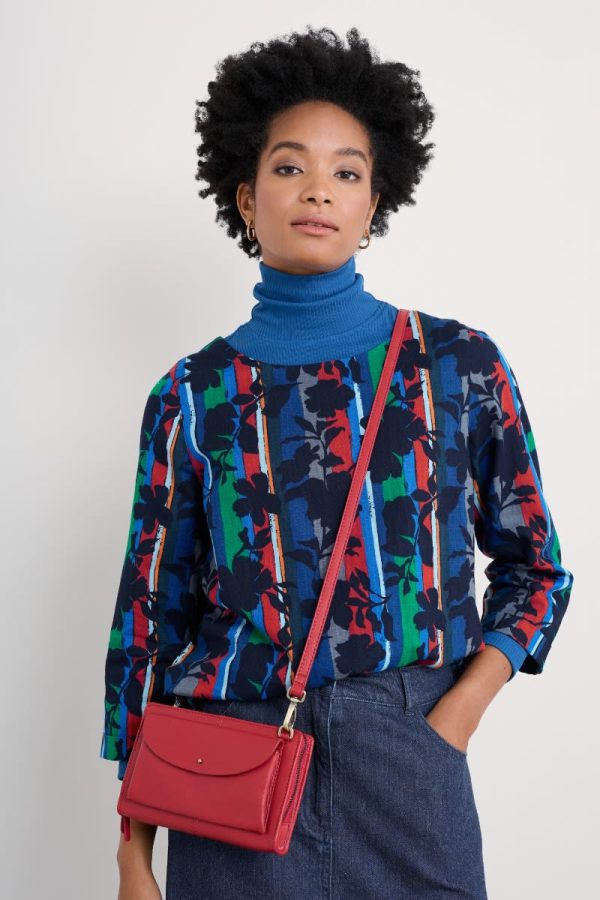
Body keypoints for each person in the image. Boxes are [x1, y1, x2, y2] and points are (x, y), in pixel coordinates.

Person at [100, 26, 574, 900]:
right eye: (289, 167)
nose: (318, 188)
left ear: (373, 202)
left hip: (409, 757)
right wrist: (133, 853)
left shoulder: (458, 366)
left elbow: (536, 570)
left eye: (347, 172)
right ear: (246, 198)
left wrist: (452, 720)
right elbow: (149, 624)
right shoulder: (192, 395)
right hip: (230, 766)